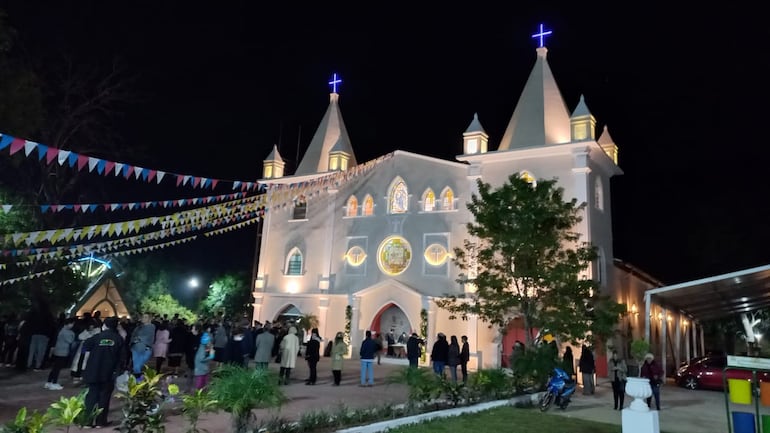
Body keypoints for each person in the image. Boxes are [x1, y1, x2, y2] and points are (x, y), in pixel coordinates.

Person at [83, 317, 124, 428]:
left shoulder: (97, 337)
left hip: (93, 372)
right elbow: (123, 357)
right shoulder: (119, 339)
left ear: (104, 326)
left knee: (91, 396)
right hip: (109, 373)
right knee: (104, 397)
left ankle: (87, 421)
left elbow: (85, 346)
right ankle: (100, 422)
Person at [45, 318, 76, 390]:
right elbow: (70, 340)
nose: (72, 325)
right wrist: (73, 334)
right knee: (57, 368)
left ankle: (49, 382)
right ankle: (54, 383)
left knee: (55, 368)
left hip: (58, 350)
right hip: (62, 352)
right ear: (68, 324)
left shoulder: (60, 330)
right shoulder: (67, 332)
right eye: (72, 324)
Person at [129, 313, 155, 378]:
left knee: (138, 364)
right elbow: (133, 335)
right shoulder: (138, 327)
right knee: (136, 365)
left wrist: (138, 338)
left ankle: (137, 378)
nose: (143, 318)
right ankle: (137, 379)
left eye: (146, 317)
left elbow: (148, 337)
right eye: (143, 317)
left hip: (145, 348)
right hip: (135, 347)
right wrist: (134, 340)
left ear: (149, 319)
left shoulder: (151, 327)